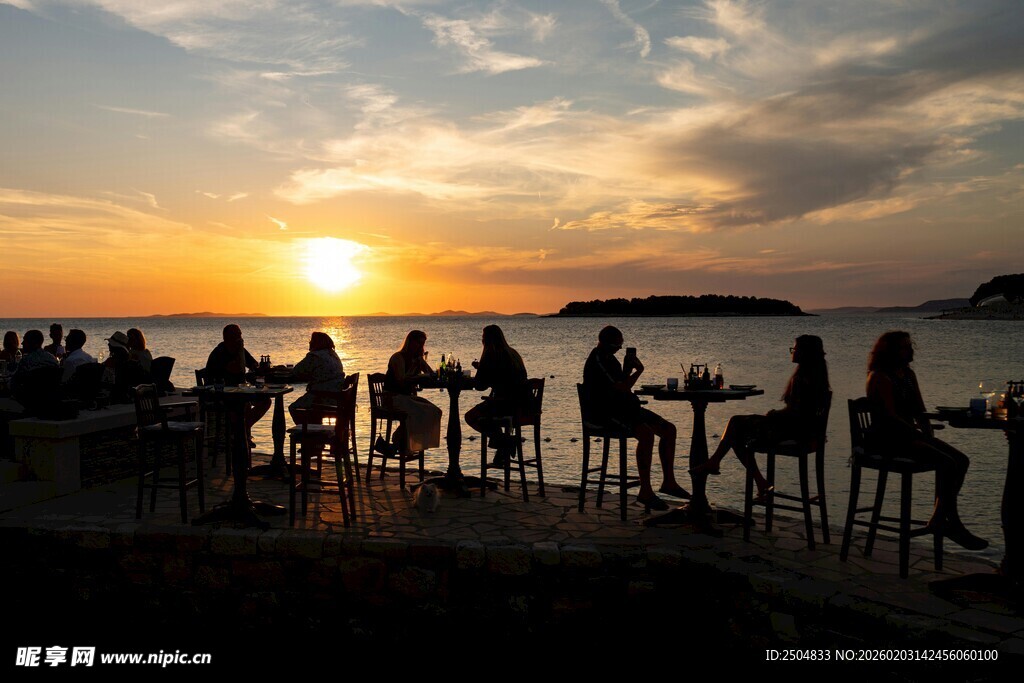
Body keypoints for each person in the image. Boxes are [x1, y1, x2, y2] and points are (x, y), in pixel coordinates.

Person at [865, 331, 987, 550]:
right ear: (890, 351)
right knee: (947, 462)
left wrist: (928, 428)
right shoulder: (880, 377)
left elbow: (919, 409)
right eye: (904, 347)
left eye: (910, 345)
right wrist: (917, 432)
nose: (910, 350)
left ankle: (940, 518)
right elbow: (889, 416)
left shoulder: (908, 375)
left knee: (961, 460)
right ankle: (949, 522)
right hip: (887, 439)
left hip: (909, 436)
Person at [691, 335, 831, 501]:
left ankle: (718, 464)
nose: (792, 352)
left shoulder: (802, 379)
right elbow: (802, 413)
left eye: (795, 349)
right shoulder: (818, 377)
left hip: (790, 433)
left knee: (735, 423)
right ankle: (757, 480)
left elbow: (795, 412)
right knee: (736, 432)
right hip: (806, 433)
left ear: (805, 353)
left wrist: (774, 414)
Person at [582, 325, 686, 510]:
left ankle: (669, 482)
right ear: (608, 343)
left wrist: (628, 369)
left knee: (669, 429)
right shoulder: (598, 359)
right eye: (617, 345)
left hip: (626, 409)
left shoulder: (611, 359)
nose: (619, 349)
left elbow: (621, 383)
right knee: (646, 434)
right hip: (606, 413)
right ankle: (645, 491)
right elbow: (622, 388)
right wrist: (638, 371)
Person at [466, 325, 529, 461]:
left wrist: (481, 369)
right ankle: (503, 445)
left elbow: (480, 386)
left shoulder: (491, 354)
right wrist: (483, 369)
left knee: (470, 417)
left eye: (483, 337)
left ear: (487, 339)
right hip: (524, 406)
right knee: (489, 417)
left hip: (504, 405)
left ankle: (506, 441)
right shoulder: (513, 353)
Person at [382, 330, 441, 458]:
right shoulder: (398, 357)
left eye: (422, 344)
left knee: (435, 411)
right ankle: (401, 442)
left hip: (407, 397)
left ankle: (398, 438)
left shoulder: (416, 359)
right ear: (410, 342)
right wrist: (417, 375)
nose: (420, 347)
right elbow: (401, 381)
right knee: (422, 412)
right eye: (418, 343)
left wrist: (423, 364)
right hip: (393, 397)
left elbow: (430, 373)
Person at [205, 324, 270, 434]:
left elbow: (253, 365)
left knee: (265, 401)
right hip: (220, 395)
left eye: (240, 335)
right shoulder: (220, 352)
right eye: (236, 335)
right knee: (241, 405)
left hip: (238, 392)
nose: (240, 338)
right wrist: (240, 352)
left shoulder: (240, 350)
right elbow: (236, 368)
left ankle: (243, 430)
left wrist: (261, 368)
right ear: (227, 338)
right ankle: (242, 435)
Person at [288, 332, 346, 422]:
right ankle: (314, 429)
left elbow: (297, 371)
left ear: (316, 343)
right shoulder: (333, 355)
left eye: (311, 341)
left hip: (322, 397)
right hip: (337, 397)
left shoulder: (315, 356)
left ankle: (307, 432)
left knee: (294, 408)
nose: (309, 343)